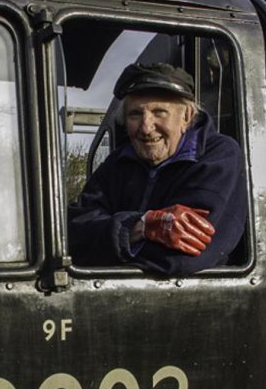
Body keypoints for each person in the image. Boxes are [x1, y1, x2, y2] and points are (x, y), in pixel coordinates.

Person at [68, 62, 246, 275]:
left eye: (159, 112)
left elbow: (182, 259)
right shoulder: (117, 164)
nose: (146, 127)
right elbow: (73, 236)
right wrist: (140, 226)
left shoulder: (219, 155)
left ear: (186, 117)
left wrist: (106, 248)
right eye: (135, 114)